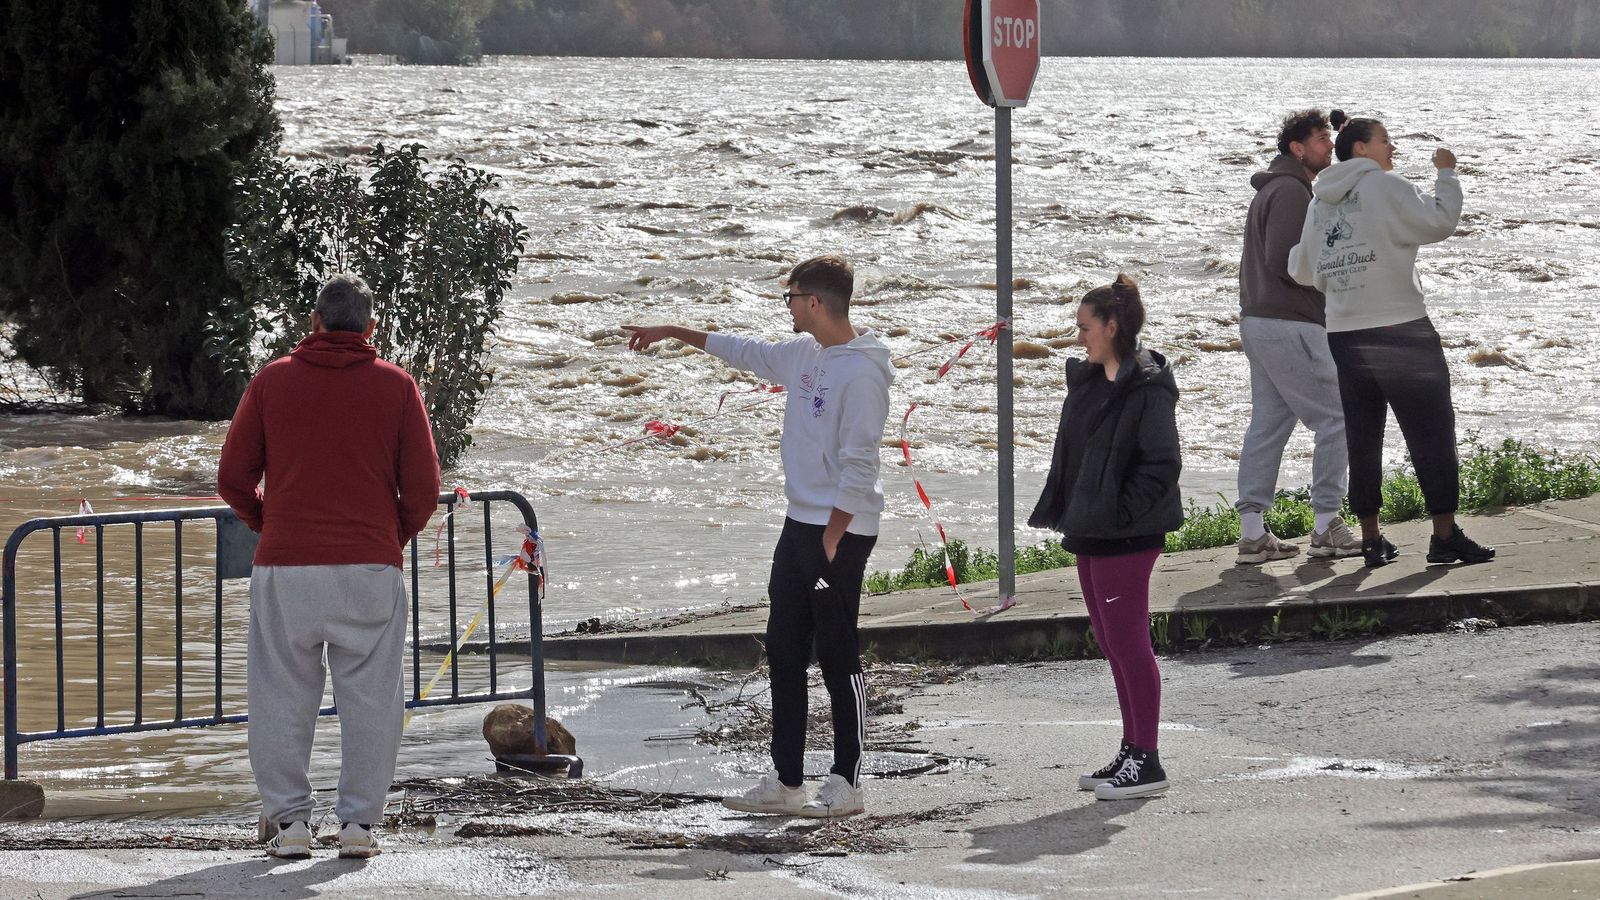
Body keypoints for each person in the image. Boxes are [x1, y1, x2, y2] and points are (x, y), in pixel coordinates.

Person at [623, 255, 893, 819]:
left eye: (790, 297)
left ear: (814, 302)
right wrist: (672, 331)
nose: (787, 306)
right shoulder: (803, 354)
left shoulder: (863, 371)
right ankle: (787, 780)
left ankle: (847, 783)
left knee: (839, 656)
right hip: (799, 523)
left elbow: (860, 464)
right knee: (785, 652)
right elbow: (742, 350)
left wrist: (832, 539)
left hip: (839, 530)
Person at [217, 274, 441, 858]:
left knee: (279, 697)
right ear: (371, 328)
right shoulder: (397, 386)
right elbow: (423, 488)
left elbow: (232, 479)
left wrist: (269, 523)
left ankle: (289, 823)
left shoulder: (272, 382)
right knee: (371, 700)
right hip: (368, 566)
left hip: (286, 567)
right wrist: (394, 534)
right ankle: (359, 826)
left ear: (314, 323)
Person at [1289, 119, 1495, 568]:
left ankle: (1371, 540)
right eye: (1385, 140)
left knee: (1363, 436)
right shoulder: (1386, 184)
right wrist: (1446, 173)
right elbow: (1440, 221)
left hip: (1344, 332)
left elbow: (1302, 271)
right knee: (1432, 432)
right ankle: (1443, 537)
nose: (1393, 147)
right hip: (1401, 327)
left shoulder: (1319, 201)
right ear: (1361, 147)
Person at [1028, 274, 1183, 801]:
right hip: (1091, 532)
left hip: (1126, 537)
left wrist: (1118, 515)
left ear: (1112, 326)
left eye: (1085, 327)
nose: (1078, 338)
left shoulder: (1149, 389)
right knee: (1113, 644)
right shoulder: (1092, 383)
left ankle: (1149, 761)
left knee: (1130, 644)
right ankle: (1131, 748)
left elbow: (1162, 467)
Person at [1235, 109, 1362, 564]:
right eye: (1322, 139)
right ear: (1297, 148)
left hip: (1261, 320)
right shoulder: (1291, 192)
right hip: (1290, 322)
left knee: (1269, 425)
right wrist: (1338, 276)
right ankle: (1327, 523)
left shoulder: (1280, 188)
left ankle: (1252, 534)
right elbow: (1286, 261)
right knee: (1338, 418)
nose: (1330, 146)